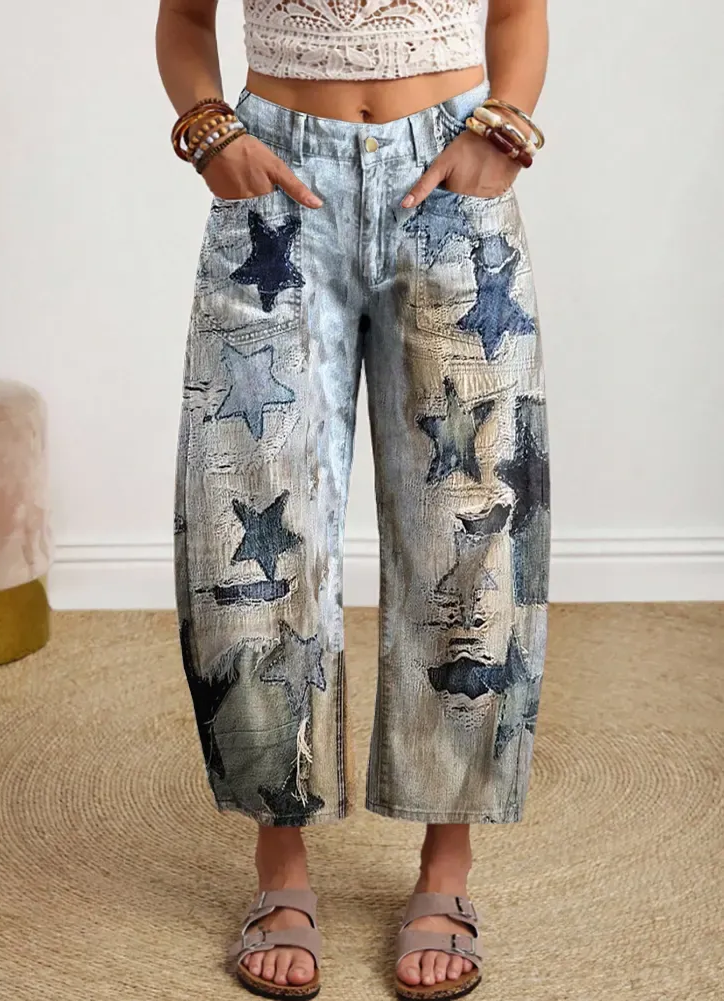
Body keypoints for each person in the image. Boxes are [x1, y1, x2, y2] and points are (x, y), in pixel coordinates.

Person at [156, 0, 550, 996]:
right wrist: (211, 134)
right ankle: (280, 864)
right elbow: (184, 19)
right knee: (257, 510)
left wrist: (505, 125)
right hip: (275, 183)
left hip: (451, 171)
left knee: (468, 526)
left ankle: (446, 866)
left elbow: (519, 11)